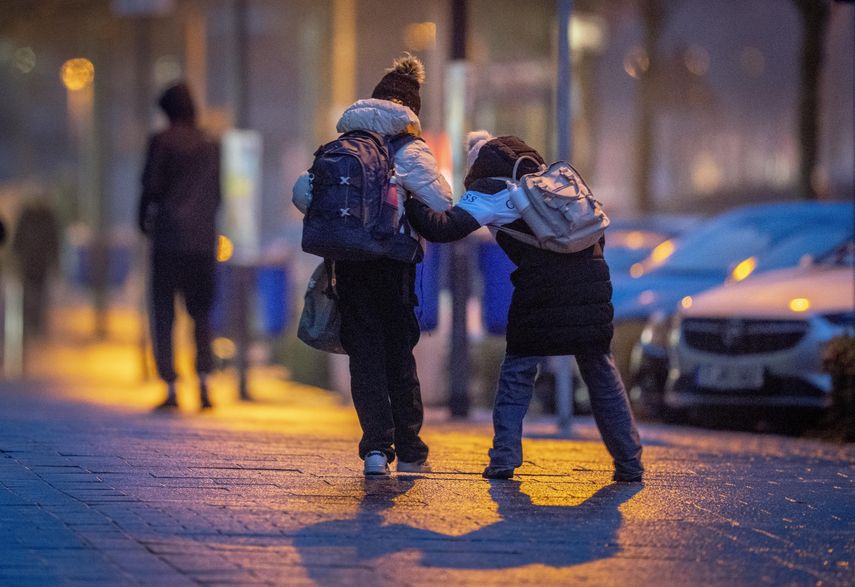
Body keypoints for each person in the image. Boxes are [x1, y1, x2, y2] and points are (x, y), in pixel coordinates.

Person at [404, 132, 644, 483]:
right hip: (593, 283)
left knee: (518, 371)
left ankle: (504, 458)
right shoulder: (558, 181)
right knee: (600, 371)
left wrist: (410, 199)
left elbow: (443, 229)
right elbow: (597, 231)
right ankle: (630, 462)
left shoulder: (493, 190)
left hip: (541, 290)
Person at [292, 54, 452, 476]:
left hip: (349, 262)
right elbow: (442, 202)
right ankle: (412, 446)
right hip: (393, 264)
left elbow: (303, 195)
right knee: (398, 353)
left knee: (363, 354)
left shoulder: (345, 142)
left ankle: (376, 451)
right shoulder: (411, 148)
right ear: (411, 108)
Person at [139, 82, 221, 411]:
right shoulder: (211, 145)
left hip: (168, 239)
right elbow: (217, 193)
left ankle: (171, 386)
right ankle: (204, 383)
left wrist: (143, 219)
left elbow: (151, 186)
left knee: (163, 313)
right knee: (201, 313)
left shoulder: (161, 142)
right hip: (202, 241)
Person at [12, 198, 60, 338]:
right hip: (28, 261)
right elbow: (18, 239)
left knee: (39, 294)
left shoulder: (47, 217)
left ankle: (36, 324)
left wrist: (54, 261)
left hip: (40, 262)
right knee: (29, 294)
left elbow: (53, 240)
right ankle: (29, 323)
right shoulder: (27, 216)